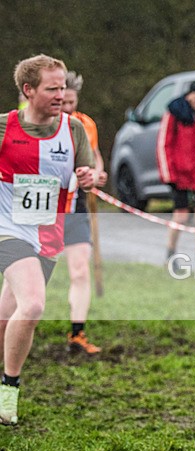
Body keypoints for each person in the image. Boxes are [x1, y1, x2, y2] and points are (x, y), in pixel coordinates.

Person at [0, 55, 100, 425]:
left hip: (48, 234)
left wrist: (88, 177)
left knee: (7, 316)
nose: (61, 94)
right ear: (28, 91)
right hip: (8, 229)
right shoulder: (4, 128)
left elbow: (86, 171)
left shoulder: (73, 130)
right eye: (52, 88)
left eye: (63, 87)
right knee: (34, 307)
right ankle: (10, 389)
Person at [61, 71, 108, 355]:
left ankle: (77, 334)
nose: (67, 108)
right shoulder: (37, 125)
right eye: (62, 101)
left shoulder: (85, 123)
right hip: (43, 209)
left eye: (71, 101)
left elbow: (95, 154)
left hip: (76, 206)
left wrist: (97, 171)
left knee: (79, 271)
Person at [157, 80, 195, 275]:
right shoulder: (174, 112)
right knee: (180, 216)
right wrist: (168, 174)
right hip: (179, 174)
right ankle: (171, 255)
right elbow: (164, 143)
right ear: (189, 95)